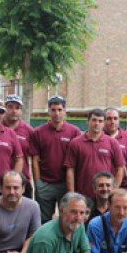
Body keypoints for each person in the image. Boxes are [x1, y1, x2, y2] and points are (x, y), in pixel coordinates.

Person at [30, 95, 81, 223]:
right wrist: (38, 182)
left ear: (64, 111)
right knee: (44, 220)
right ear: (48, 111)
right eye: (53, 110)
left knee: (67, 218)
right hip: (45, 183)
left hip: (65, 183)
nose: (56, 113)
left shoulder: (74, 132)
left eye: (59, 109)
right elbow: (35, 159)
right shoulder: (38, 132)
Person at [65, 108, 125, 198]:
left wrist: (114, 191)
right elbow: (70, 169)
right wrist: (72, 194)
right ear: (88, 121)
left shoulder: (112, 143)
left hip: (105, 195)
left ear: (104, 123)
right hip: (82, 195)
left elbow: (120, 168)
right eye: (94, 120)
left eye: (100, 121)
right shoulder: (76, 143)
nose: (97, 123)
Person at [2, 94, 34, 198]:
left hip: (23, 181)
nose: (14, 110)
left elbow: (34, 156)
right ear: (5, 108)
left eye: (17, 108)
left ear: (21, 110)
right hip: (1, 182)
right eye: (10, 107)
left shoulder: (28, 131)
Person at [104, 107, 127, 187]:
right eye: (109, 119)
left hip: (122, 184)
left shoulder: (126, 137)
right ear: (104, 120)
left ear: (119, 120)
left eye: (115, 118)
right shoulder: (99, 136)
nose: (112, 122)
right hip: (102, 183)